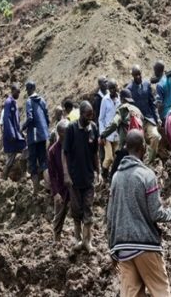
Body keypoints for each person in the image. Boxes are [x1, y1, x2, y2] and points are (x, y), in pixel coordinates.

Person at [107, 130, 171, 297]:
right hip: (145, 244)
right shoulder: (147, 175)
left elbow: (110, 217)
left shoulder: (116, 178)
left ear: (127, 148)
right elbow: (156, 213)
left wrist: (112, 248)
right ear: (143, 148)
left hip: (123, 247)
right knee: (161, 291)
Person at [63, 101, 100, 252]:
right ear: (81, 114)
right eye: (87, 115)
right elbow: (65, 154)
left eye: (92, 115)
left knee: (89, 209)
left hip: (88, 177)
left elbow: (95, 153)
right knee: (76, 211)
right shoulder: (71, 129)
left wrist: (99, 172)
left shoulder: (93, 128)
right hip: (74, 178)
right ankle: (77, 240)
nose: (90, 118)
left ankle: (87, 241)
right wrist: (66, 175)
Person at [100, 89, 144, 180]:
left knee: (114, 173)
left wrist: (103, 135)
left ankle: (113, 189)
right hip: (140, 147)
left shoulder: (122, 109)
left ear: (122, 99)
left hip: (127, 146)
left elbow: (114, 124)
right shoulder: (138, 110)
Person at [127, 65, 161, 164]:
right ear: (132, 76)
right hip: (137, 121)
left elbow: (152, 103)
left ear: (141, 73)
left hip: (149, 118)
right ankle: (139, 163)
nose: (137, 77)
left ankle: (149, 161)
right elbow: (128, 107)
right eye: (135, 75)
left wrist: (157, 118)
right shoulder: (129, 89)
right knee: (139, 144)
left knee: (156, 136)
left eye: (139, 74)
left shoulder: (147, 84)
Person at [21, 81, 50, 193]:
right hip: (43, 135)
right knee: (44, 161)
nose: (27, 91)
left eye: (27, 89)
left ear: (30, 89)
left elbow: (30, 118)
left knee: (32, 163)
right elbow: (47, 117)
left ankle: (36, 190)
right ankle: (48, 186)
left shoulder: (29, 101)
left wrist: (22, 128)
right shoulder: (42, 100)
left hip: (33, 137)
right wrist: (44, 130)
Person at [48, 120, 71, 242]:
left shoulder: (72, 146)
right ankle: (56, 240)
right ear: (60, 133)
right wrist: (55, 193)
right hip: (61, 188)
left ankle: (80, 238)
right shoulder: (53, 151)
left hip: (73, 186)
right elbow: (51, 174)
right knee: (59, 216)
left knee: (80, 214)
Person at [2, 84, 28, 180]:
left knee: (25, 148)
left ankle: (24, 173)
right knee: (11, 157)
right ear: (12, 90)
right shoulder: (8, 102)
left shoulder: (14, 103)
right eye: (17, 92)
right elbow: (7, 120)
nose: (19, 94)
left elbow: (16, 121)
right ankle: (4, 177)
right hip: (11, 135)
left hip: (16, 134)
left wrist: (20, 132)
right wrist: (12, 134)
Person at [99, 79, 120, 181]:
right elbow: (101, 119)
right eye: (110, 88)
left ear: (116, 87)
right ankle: (103, 174)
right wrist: (102, 134)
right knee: (109, 158)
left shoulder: (120, 99)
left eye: (114, 88)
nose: (112, 90)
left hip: (117, 134)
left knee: (117, 158)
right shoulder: (105, 100)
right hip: (107, 134)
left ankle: (113, 177)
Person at [152, 60, 171, 126]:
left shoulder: (160, 85)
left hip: (164, 116)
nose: (154, 72)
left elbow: (160, 104)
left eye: (154, 70)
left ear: (157, 71)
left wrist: (157, 118)